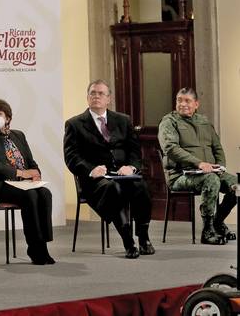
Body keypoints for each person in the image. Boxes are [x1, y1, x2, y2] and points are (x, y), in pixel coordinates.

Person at [63, 79, 155, 259]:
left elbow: (135, 151)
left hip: (122, 174)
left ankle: (143, 237)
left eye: (101, 93)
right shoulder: (74, 124)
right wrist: (90, 170)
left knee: (141, 186)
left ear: (109, 99)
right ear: (87, 97)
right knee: (113, 189)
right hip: (96, 181)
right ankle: (128, 240)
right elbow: (71, 157)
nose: (96, 96)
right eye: (92, 93)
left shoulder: (123, 120)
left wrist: (131, 167)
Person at [0, 99, 54, 265]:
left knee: (45, 193)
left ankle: (43, 245)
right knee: (30, 195)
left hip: (21, 184)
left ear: (8, 118)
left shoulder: (18, 135)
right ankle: (35, 248)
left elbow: (30, 160)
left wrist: (36, 173)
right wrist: (21, 173)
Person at [158, 87, 237, 245]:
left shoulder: (204, 122)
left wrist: (220, 167)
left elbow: (217, 148)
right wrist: (198, 163)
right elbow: (171, 148)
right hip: (180, 176)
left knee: (237, 185)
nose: (183, 104)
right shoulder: (169, 122)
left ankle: (217, 221)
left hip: (209, 172)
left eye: (187, 101)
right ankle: (207, 232)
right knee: (211, 180)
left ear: (196, 104)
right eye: (179, 100)